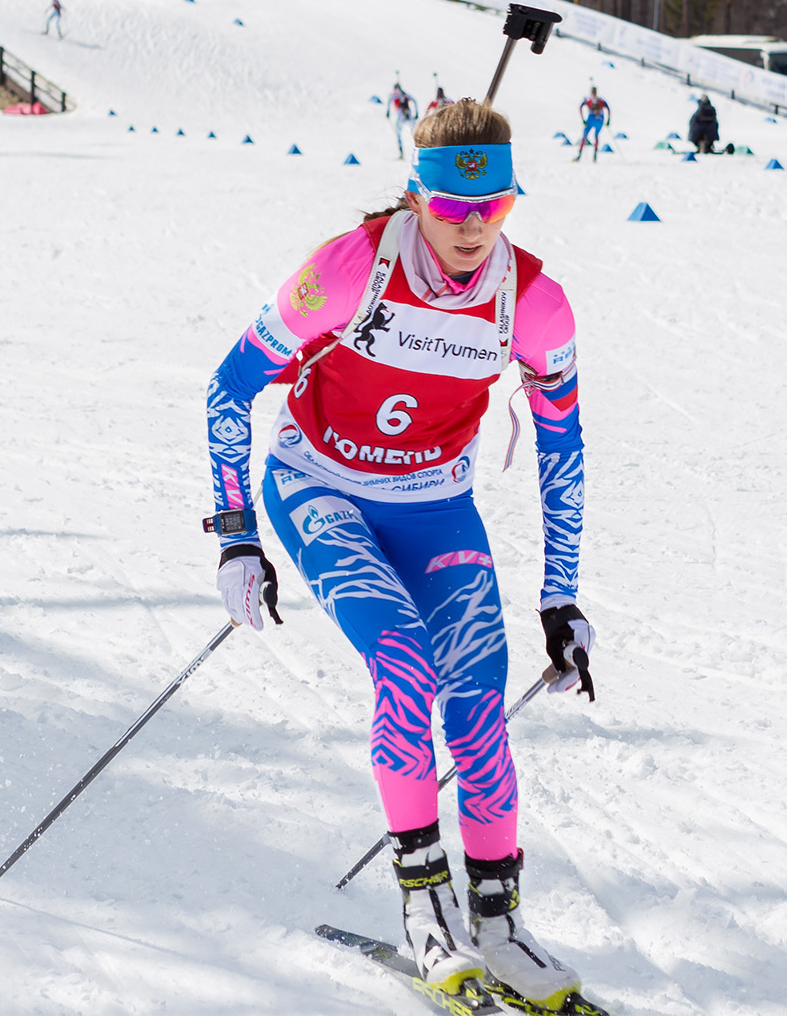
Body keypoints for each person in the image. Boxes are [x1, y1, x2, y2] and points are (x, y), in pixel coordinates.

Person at [204, 99, 592, 1006]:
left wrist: (561, 596)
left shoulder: (533, 302)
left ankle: (499, 923)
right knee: (405, 667)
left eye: (492, 208)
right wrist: (235, 534)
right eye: (453, 209)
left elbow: (562, 447)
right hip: (321, 488)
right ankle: (426, 908)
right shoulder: (350, 269)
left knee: (479, 699)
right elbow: (230, 388)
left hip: (433, 505)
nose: (472, 227)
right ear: (416, 196)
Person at [574, 85, 611, 162]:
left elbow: (580, 107)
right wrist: (608, 120)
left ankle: (580, 155)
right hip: (600, 119)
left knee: (585, 136)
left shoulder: (588, 100)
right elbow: (608, 108)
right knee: (596, 136)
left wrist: (583, 119)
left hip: (591, 119)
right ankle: (594, 156)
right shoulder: (600, 100)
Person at [387, 79, 418, 161]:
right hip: (409, 114)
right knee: (415, 132)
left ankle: (402, 153)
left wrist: (388, 111)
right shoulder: (405, 94)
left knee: (398, 134)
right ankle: (419, 149)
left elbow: (390, 101)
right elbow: (414, 100)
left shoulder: (395, 95)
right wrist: (416, 112)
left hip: (402, 115)